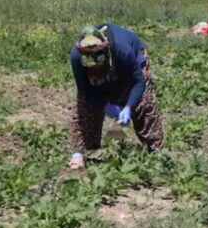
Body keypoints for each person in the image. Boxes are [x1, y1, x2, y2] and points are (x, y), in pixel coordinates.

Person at [67, 23, 164, 168]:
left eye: (98, 60)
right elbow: (85, 90)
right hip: (106, 66)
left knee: (143, 102)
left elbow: (138, 82)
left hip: (133, 59)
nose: (94, 64)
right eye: (89, 61)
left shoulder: (122, 51)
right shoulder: (76, 56)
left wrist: (129, 107)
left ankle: (155, 150)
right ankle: (82, 151)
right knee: (86, 105)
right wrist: (106, 106)